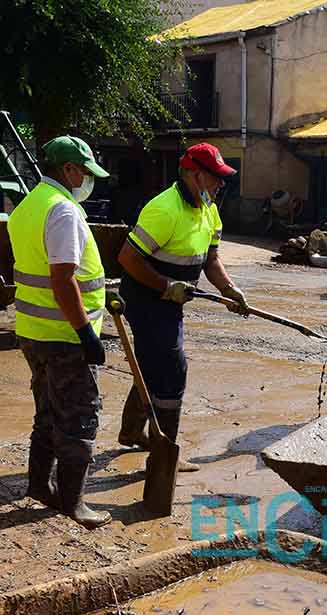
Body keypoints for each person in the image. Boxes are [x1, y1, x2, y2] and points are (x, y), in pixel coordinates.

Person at [115, 142, 248, 471]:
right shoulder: (164, 209)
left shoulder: (209, 210)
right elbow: (127, 258)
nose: (220, 184)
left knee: (150, 363)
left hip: (173, 299)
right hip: (146, 298)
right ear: (193, 174)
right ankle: (165, 453)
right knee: (173, 369)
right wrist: (166, 286)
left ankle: (132, 430)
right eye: (215, 177)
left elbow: (211, 260)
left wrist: (230, 289)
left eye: (221, 178)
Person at [7, 136, 111, 529]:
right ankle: (74, 503)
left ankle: (38, 486)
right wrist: (87, 332)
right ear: (68, 170)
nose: (87, 180)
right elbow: (62, 280)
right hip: (64, 336)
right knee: (80, 416)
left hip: (32, 331)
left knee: (47, 410)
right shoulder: (63, 211)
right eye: (84, 172)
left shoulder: (27, 207)